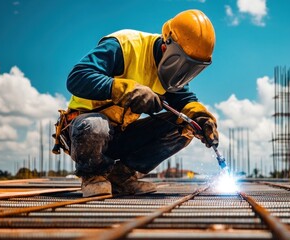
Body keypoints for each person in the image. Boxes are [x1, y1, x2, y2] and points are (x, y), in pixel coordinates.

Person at [64, 9, 219, 197]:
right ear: (167, 47)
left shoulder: (169, 74)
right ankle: (93, 176)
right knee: (95, 125)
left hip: (120, 135)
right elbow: (77, 77)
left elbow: (184, 100)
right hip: (85, 132)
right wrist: (125, 90)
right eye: (184, 65)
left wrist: (201, 119)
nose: (185, 74)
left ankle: (121, 177)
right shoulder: (124, 45)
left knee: (184, 127)